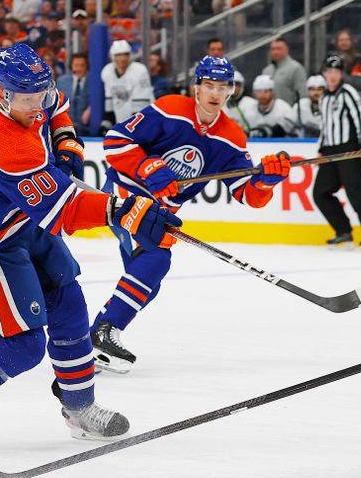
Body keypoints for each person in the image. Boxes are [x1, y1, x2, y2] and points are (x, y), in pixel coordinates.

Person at [0, 43, 181, 456]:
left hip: (23, 216)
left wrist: (68, 143)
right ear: (2, 95)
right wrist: (127, 210)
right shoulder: (2, 143)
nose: (36, 106)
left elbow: (57, 106)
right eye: (27, 100)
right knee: (22, 345)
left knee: (70, 304)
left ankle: (80, 407)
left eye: (40, 94)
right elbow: (68, 211)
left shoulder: (18, 87)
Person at [91, 56, 290, 373]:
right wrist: (146, 165)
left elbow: (246, 194)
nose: (215, 93)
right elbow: (115, 140)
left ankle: (86, 340)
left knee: (148, 277)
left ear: (230, 92)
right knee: (156, 258)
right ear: (196, 88)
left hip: (159, 211)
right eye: (208, 85)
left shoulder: (232, 138)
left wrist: (265, 182)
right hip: (124, 193)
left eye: (222, 87)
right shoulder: (170, 108)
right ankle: (102, 332)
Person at [314, 54, 361, 249]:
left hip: (350, 149)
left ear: (342, 73)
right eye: (329, 71)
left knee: (355, 193)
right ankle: (343, 231)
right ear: (324, 74)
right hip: (331, 151)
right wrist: (321, 149)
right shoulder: (324, 97)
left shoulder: (348, 92)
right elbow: (325, 126)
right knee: (320, 193)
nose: (333, 75)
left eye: (337, 71)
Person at [99, 40, 153, 135]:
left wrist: (129, 129)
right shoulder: (107, 72)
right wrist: (107, 125)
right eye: (119, 55)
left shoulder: (139, 71)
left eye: (125, 54)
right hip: (123, 123)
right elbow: (110, 106)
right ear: (113, 57)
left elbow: (140, 110)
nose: (123, 58)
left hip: (144, 122)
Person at [261, 37, 307, 106]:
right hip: (268, 113)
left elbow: (302, 95)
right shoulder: (266, 71)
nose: (275, 52)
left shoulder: (296, 68)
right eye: (273, 49)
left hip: (289, 113)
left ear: (287, 49)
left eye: (279, 49)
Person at [56, 53, 91, 136]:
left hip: (87, 128)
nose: (79, 68)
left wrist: (91, 109)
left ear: (87, 66)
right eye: (76, 65)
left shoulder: (93, 81)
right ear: (71, 66)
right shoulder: (61, 81)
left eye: (82, 65)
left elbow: (99, 99)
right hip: (66, 127)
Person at [222, 70, 256, 134]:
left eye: (237, 85)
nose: (233, 88)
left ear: (242, 87)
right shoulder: (220, 105)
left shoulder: (251, 104)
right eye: (230, 84)